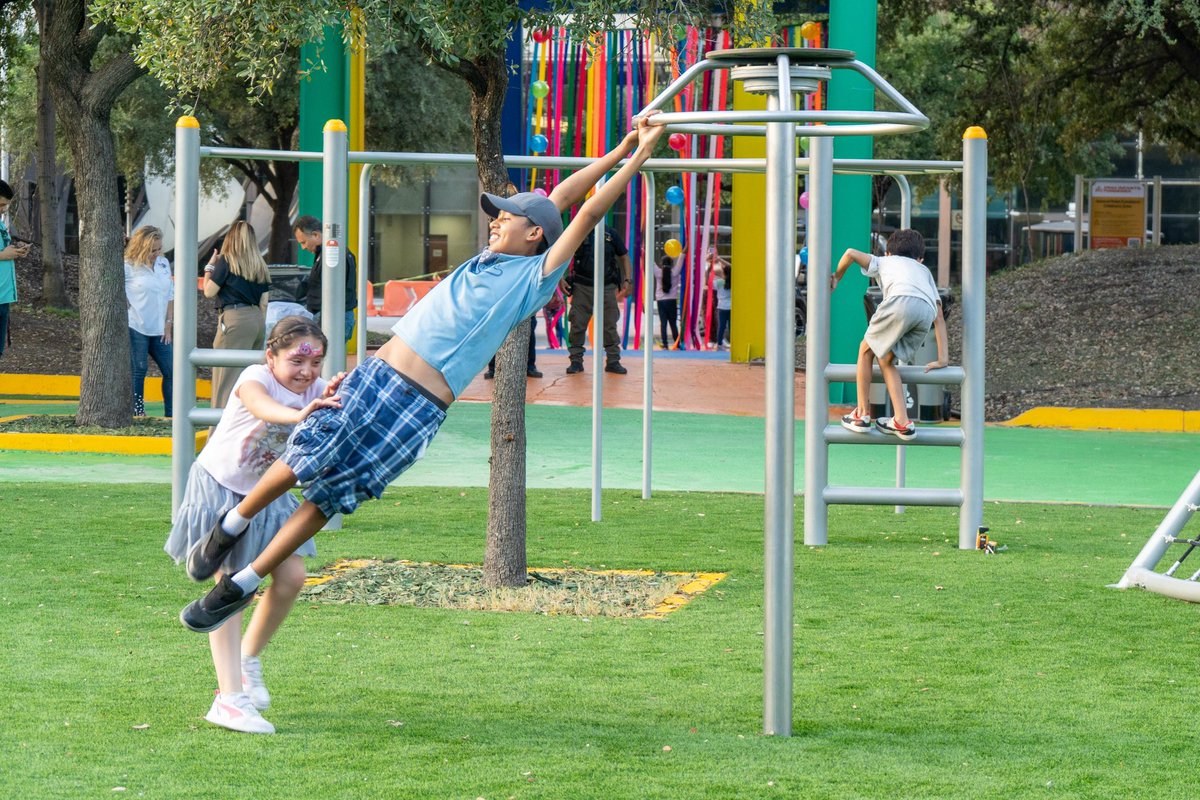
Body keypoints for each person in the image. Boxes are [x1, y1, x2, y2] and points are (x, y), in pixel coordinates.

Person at [176, 112, 666, 634]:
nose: (495, 220)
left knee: (333, 494)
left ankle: (242, 583)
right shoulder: (488, 258)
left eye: (507, 217)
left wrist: (640, 157)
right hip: (377, 373)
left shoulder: (534, 277)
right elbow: (562, 196)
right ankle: (231, 524)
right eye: (497, 214)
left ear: (535, 235)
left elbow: (583, 213)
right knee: (305, 451)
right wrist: (620, 147)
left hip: (416, 405)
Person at [166, 317, 344, 734]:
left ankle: (247, 660)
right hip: (222, 486)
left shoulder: (318, 391)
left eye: (316, 361)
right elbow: (264, 408)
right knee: (231, 586)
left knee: (293, 576)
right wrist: (303, 413)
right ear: (271, 356)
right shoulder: (254, 377)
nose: (308, 371)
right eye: (297, 360)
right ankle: (229, 700)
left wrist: (334, 396)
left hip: (268, 494)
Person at [833, 228, 947, 440]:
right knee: (886, 359)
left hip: (900, 301)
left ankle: (862, 414)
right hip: (925, 312)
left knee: (865, 351)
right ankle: (902, 421)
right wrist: (942, 359)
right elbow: (938, 316)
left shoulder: (884, 261)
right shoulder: (924, 272)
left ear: (888, 253)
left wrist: (836, 277)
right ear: (919, 259)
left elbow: (850, 253)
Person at [205, 221, 272, 409]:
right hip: (257, 320)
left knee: (224, 379)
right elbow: (264, 302)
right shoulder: (259, 264)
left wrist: (210, 267)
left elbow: (209, 292)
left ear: (230, 238)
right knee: (250, 377)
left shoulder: (227, 260)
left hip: (234, 317)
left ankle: (218, 432)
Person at [565, 222, 632, 374]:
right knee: (578, 323)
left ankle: (613, 360)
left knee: (609, 324)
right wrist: (560, 279)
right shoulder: (579, 230)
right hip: (582, 285)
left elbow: (624, 256)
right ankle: (576, 361)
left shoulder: (610, 233)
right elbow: (564, 253)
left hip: (607, 286)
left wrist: (628, 279)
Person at [124, 226, 174, 417]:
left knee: (171, 371)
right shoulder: (128, 266)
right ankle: (137, 412)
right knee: (139, 369)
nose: (156, 253)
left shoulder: (163, 264)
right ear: (141, 247)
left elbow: (170, 294)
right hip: (137, 326)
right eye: (152, 250)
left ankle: (171, 414)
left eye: (159, 249)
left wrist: (168, 324)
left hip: (161, 329)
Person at [293, 215, 357, 343]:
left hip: (332, 317)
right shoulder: (329, 254)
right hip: (333, 316)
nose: (303, 247)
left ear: (316, 235)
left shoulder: (331, 256)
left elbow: (331, 292)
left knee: (326, 360)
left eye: (304, 242)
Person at [0, 180, 29, 358]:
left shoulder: (1, 225)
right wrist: (3, 255)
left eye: (6, 205)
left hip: (3, 298)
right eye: (1, 204)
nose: (3, 209)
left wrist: (16, 250)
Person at [653, 254, 681, 349]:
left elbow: (650, 262)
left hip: (661, 301)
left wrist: (644, 250)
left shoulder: (658, 272)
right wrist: (685, 249)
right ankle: (677, 344)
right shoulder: (675, 272)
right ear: (672, 263)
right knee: (673, 324)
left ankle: (665, 345)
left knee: (663, 323)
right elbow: (681, 258)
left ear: (661, 263)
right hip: (672, 301)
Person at [707, 250, 732, 349]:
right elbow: (732, 267)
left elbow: (708, 284)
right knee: (731, 327)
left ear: (723, 273)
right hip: (731, 307)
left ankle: (719, 344)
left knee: (721, 326)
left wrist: (709, 269)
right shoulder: (735, 281)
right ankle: (733, 343)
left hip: (721, 307)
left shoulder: (720, 282)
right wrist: (721, 259)